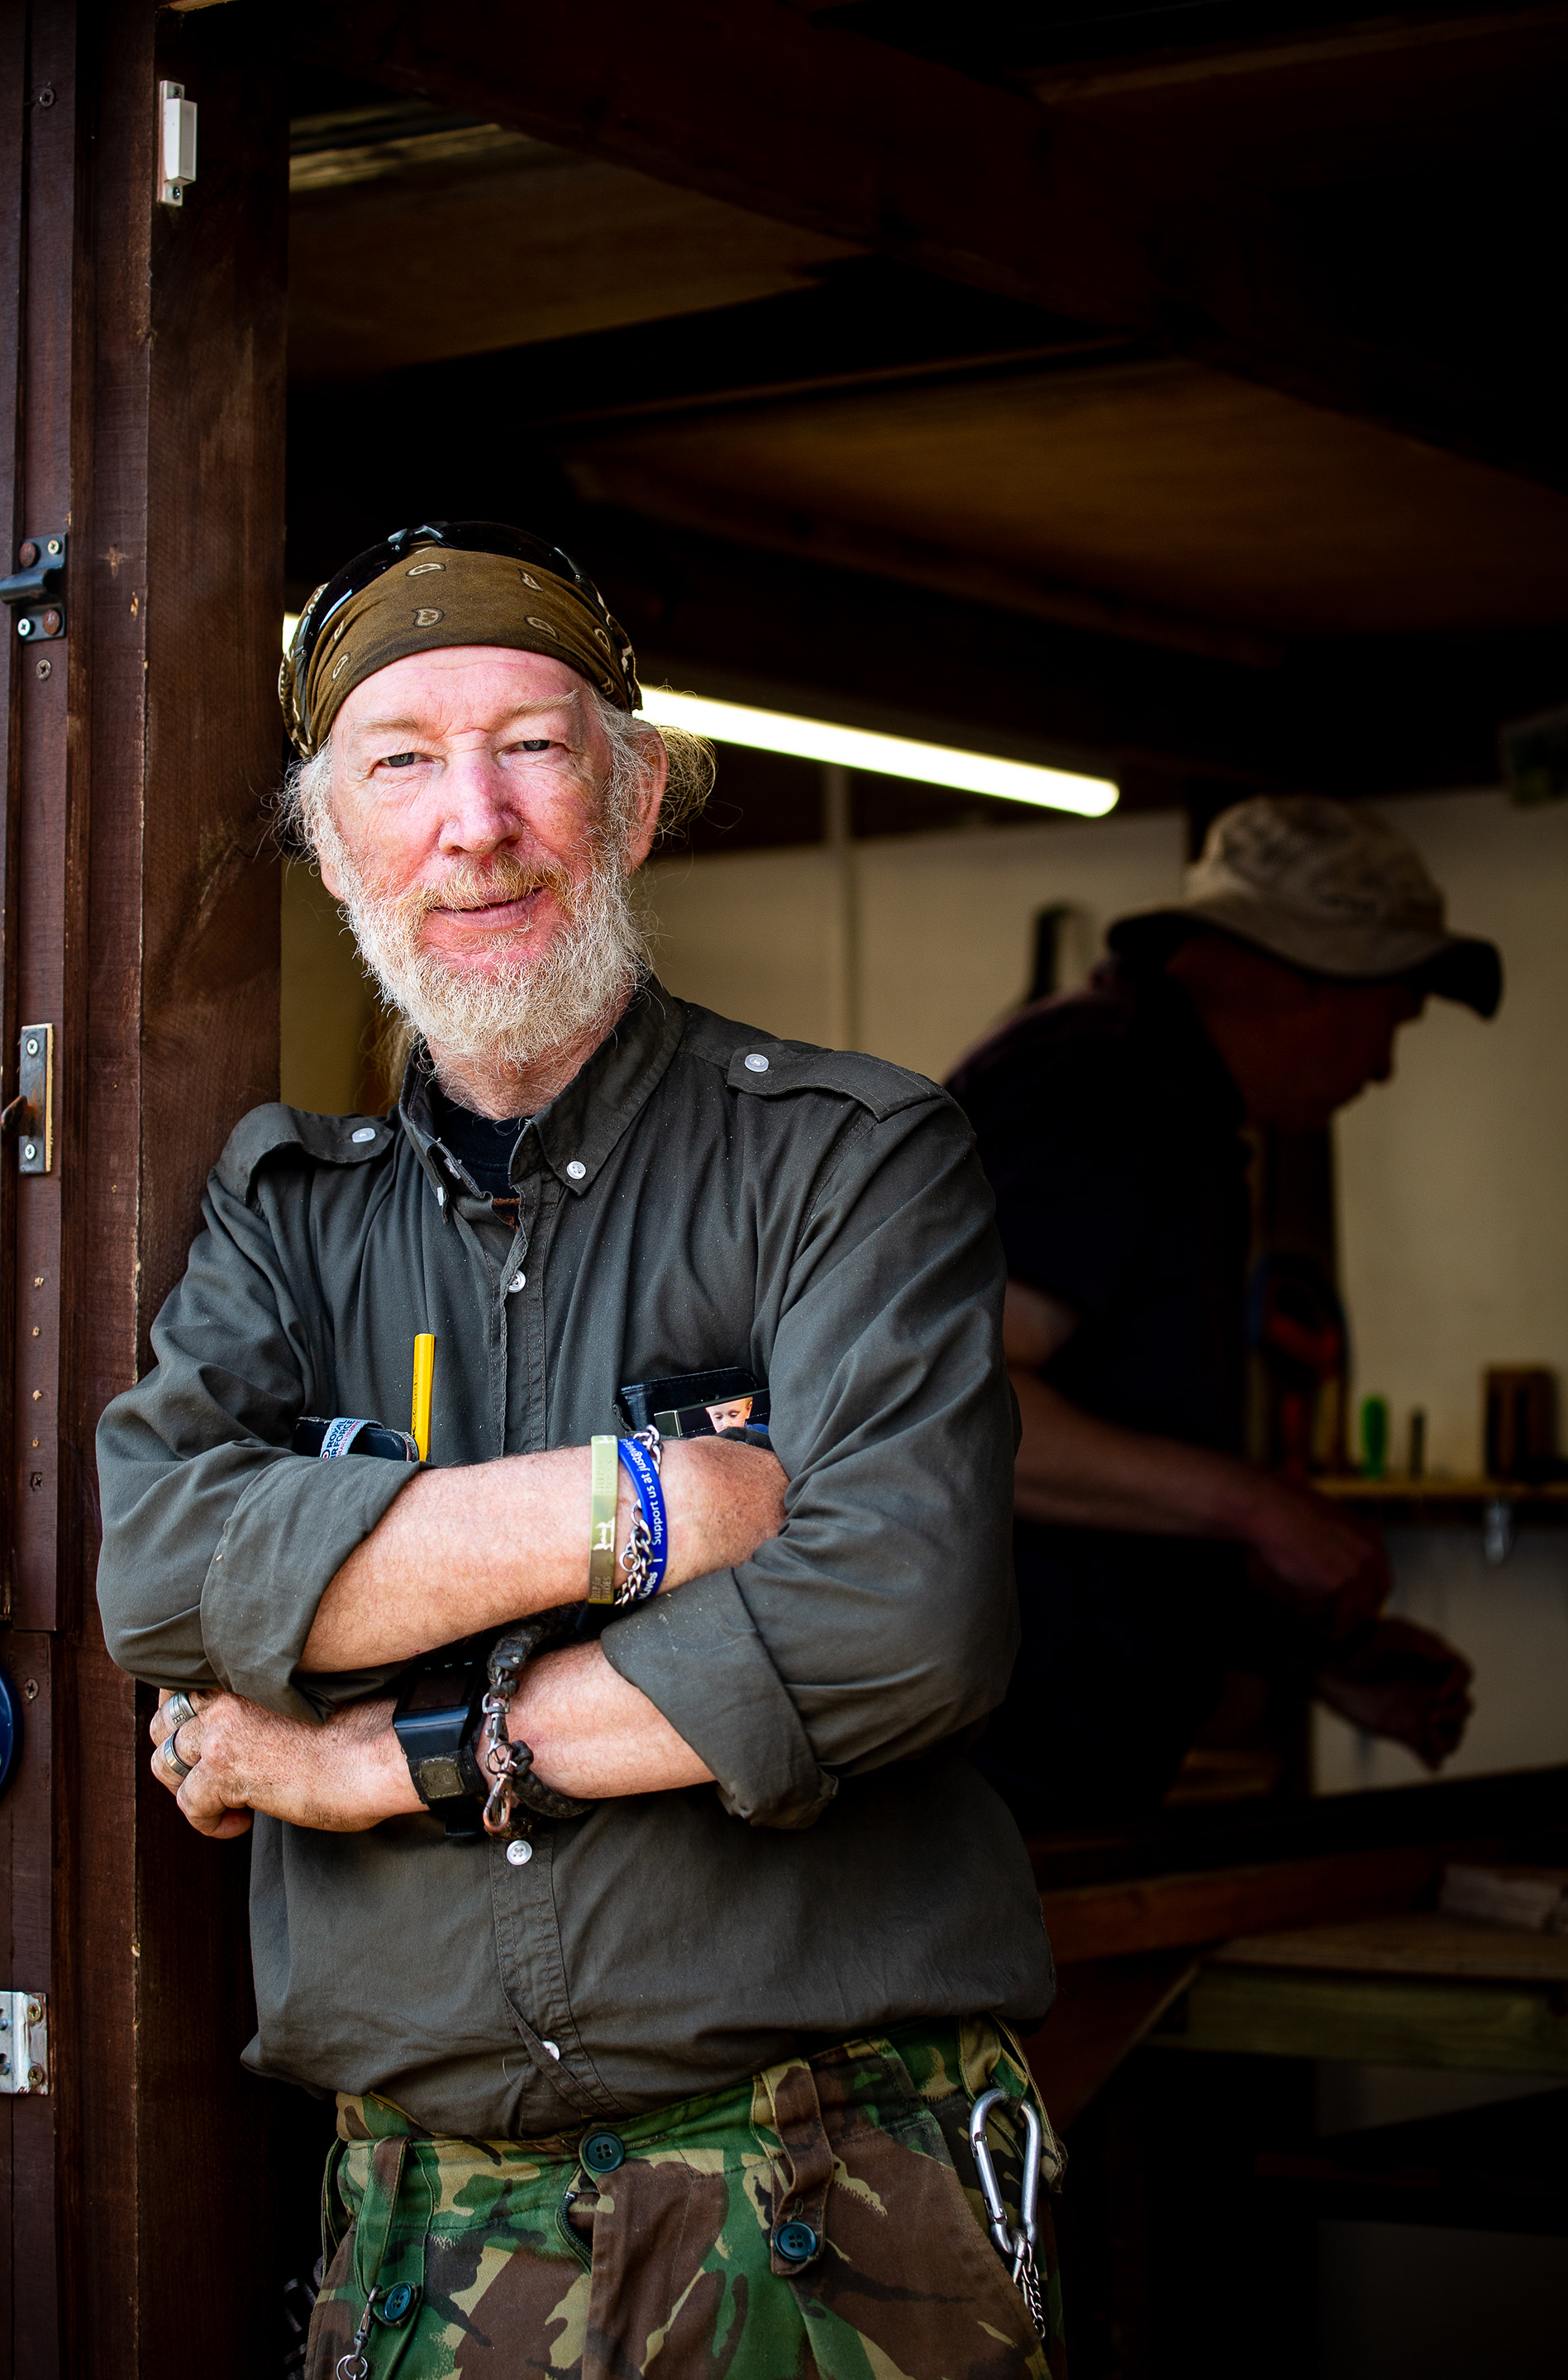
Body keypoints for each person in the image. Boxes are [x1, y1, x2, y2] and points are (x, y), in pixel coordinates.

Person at [94, 523, 1062, 2379]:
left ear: (632, 804)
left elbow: (900, 1624)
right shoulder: (285, 1220)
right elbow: (159, 1573)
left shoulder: (850, 1161)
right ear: (332, 846)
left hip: (827, 2199)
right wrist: (649, 1506)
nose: (476, 824)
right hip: (425, 2237)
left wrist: (374, 1762)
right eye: (401, 763)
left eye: (534, 748)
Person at [946, 796, 1490, 1829]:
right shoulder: (1100, 1087)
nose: (1383, 1067)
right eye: (1394, 1019)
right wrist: (1260, 1508)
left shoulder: (1177, 1112)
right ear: (1312, 974)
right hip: (987, 1796)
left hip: (1055, 1784)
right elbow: (955, 1405)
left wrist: (1307, 1660)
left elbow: (1106, 1500)